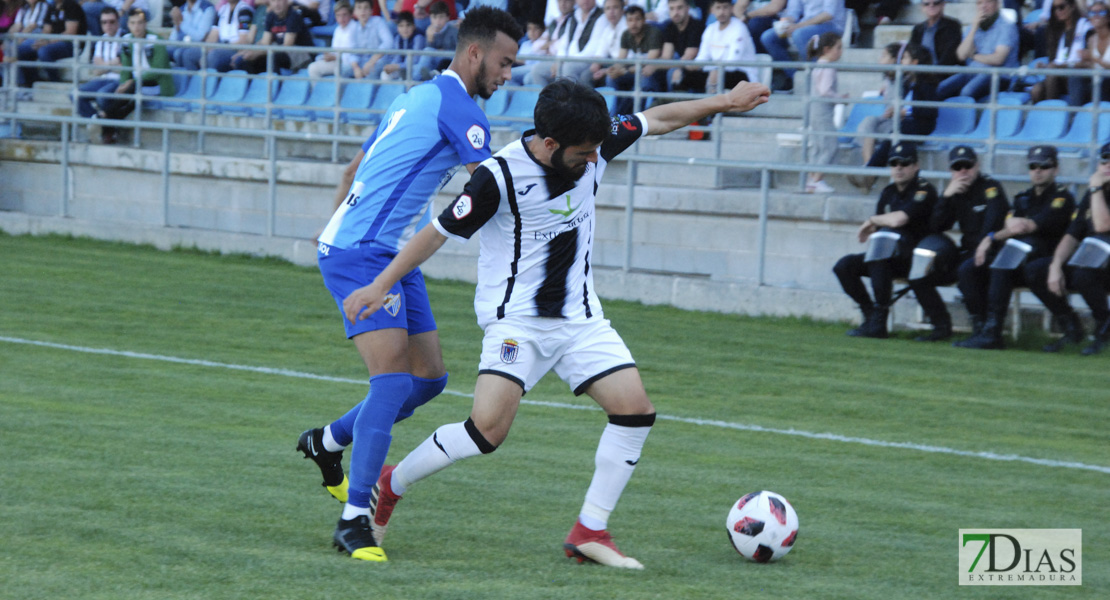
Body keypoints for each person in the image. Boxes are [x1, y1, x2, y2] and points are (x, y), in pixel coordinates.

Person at [339, 76, 770, 569]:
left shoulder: (595, 140)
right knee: (486, 433)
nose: (594, 160)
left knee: (634, 412)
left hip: (581, 319)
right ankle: (391, 484)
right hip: (517, 324)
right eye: (583, 153)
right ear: (549, 144)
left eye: (596, 151)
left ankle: (590, 530)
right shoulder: (497, 177)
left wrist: (726, 103)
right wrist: (380, 284)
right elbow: (436, 233)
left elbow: (660, 119)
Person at [295, 6, 522, 562]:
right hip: (362, 253)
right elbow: (489, 191)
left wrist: (342, 219)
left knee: (429, 379)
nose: (507, 73)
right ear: (474, 53)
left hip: (386, 250)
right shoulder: (461, 110)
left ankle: (325, 442)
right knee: (392, 381)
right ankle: (354, 521)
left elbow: (356, 168)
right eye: (504, 62)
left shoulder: (414, 96)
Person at [953, 144, 1076, 349]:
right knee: (968, 269)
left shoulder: (1062, 198)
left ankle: (993, 333)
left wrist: (1001, 233)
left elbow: (1027, 225)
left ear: (1056, 169)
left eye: (1044, 166)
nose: (1037, 171)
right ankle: (982, 328)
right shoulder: (1023, 198)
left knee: (1003, 265)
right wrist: (990, 238)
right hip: (1021, 258)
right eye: (1033, 166)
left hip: (1048, 259)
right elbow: (1010, 226)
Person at [833, 142, 940, 339]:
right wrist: (875, 224)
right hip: (888, 255)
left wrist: (873, 221)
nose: (899, 168)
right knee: (844, 266)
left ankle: (879, 321)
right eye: (894, 163)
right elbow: (881, 226)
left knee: (879, 260)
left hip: (913, 259)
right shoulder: (888, 192)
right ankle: (871, 314)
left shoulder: (924, 190)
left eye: (905, 163)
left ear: (915, 166)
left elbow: (899, 219)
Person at [1027, 143, 1110, 354]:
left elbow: (1102, 226)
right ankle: (1071, 326)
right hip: (1093, 262)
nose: (1107, 165)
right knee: (1036, 270)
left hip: (1103, 266)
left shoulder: (1095, 192)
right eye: (1104, 160)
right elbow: (1073, 234)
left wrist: (1096, 189)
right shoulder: (1092, 194)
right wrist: (1055, 265)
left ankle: (1104, 329)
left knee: (1084, 274)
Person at [922, 145, 1009, 342]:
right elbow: (936, 226)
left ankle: (982, 328)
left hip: (994, 250)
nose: (963, 171)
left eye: (967, 166)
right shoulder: (955, 193)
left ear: (977, 165)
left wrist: (983, 245)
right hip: (969, 251)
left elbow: (994, 221)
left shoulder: (990, 187)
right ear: (951, 171)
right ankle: (941, 325)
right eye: (957, 167)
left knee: (966, 271)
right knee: (923, 272)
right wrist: (945, 196)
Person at [849, 43, 937, 192]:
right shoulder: (909, 83)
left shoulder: (926, 84)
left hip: (920, 125)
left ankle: (869, 174)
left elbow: (931, 112)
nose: (901, 61)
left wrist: (906, 112)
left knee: (891, 139)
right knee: (891, 138)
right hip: (907, 124)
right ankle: (869, 175)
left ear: (915, 63)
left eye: (905, 58)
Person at [95, 8, 175, 144]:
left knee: (130, 90)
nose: (136, 27)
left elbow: (158, 70)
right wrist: (123, 83)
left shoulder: (156, 40)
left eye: (139, 23)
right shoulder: (126, 41)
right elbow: (126, 69)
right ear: (128, 25)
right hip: (136, 85)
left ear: (145, 24)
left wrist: (130, 82)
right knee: (126, 102)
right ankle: (108, 132)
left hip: (156, 84)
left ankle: (104, 117)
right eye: (133, 23)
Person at [936, 0, 1019, 100]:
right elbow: (961, 55)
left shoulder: (1007, 27)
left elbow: (998, 59)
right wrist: (974, 28)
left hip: (998, 75)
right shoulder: (973, 26)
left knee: (966, 93)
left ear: (997, 4)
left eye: (987, 2)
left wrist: (974, 55)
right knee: (939, 89)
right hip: (972, 71)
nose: (983, 6)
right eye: (979, 3)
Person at [760, 0, 845, 92]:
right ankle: (794, 77)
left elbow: (828, 14)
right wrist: (786, 22)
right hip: (805, 25)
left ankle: (816, 78)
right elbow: (794, 12)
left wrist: (799, 26)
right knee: (768, 37)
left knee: (799, 34)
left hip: (831, 25)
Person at [687, 0, 757, 93]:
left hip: (742, 75)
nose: (721, 12)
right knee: (685, 75)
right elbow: (703, 56)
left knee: (716, 75)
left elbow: (732, 63)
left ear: (731, 8)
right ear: (712, 10)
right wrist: (693, 66)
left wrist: (713, 71)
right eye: (718, 8)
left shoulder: (739, 28)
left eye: (725, 7)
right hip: (718, 71)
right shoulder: (710, 29)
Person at [806, 31, 845, 194]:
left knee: (818, 146)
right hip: (822, 111)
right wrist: (840, 98)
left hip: (814, 110)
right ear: (827, 49)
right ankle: (817, 180)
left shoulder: (819, 64)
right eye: (839, 48)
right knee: (830, 146)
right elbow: (825, 90)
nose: (841, 51)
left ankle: (811, 179)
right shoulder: (828, 66)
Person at [605, 3, 663, 113]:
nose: (633, 24)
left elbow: (650, 62)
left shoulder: (653, 33)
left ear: (644, 20)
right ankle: (612, 113)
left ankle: (633, 116)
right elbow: (620, 60)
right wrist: (614, 70)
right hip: (636, 71)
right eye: (630, 20)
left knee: (643, 78)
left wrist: (625, 70)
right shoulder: (626, 34)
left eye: (637, 19)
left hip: (654, 73)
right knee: (611, 77)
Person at [1030, 0, 1091, 104]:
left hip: (1078, 75)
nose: (1058, 11)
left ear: (1072, 7)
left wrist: (1058, 66)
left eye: (1061, 7)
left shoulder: (1085, 27)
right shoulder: (1056, 31)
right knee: (1036, 90)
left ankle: (1052, 111)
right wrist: (1045, 66)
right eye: (1054, 9)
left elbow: (1088, 61)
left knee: (1052, 69)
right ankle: (1043, 115)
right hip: (1060, 76)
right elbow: (1057, 60)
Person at [16, 0, 87, 87]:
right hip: (52, 42)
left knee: (44, 51)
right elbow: (46, 29)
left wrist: (48, 42)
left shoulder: (71, 5)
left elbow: (70, 32)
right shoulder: (51, 7)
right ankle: (31, 82)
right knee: (21, 50)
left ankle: (55, 82)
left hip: (71, 44)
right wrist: (41, 41)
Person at [230, 0, 314, 73]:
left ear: (286, 1)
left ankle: (275, 87)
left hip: (301, 53)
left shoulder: (293, 16)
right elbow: (265, 42)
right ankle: (256, 86)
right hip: (279, 50)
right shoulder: (271, 16)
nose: (277, 4)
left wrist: (257, 53)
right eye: (273, 1)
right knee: (245, 60)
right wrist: (245, 53)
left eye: (279, 0)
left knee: (272, 57)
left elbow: (287, 46)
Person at [855, 42, 901, 168]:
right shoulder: (887, 79)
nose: (880, 59)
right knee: (868, 123)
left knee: (869, 130)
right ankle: (869, 165)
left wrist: (895, 110)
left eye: (884, 56)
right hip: (886, 120)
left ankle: (869, 168)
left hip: (899, 122)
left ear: (894, 59)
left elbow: (908, 105)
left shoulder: (903, 79)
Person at [73, 6, 122, 120]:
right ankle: (96, 121)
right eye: (104, 22)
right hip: (103, 79)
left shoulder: (126, 38)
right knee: (75, 94)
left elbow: (124, 69)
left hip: (119, 80)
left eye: (111, 21)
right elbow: (96, 71)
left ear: (118, 22)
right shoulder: (101, 41)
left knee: (102, 95)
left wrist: (104, 65)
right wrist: (113, 63)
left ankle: (106, 127)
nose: (108, 25)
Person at [198, 0, 254, 73]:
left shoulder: (245, 11)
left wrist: (219, 48)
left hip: (235, 49)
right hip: (220, 46)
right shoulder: (222, 10)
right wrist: (205, 51)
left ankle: (211, 83)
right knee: (189, 54)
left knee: (214, 55)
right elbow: (212, 36)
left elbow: (243, 40)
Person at [660, 0, 704, 92]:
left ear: (687, 8)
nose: (675, 13)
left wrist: (677, 68)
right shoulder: (669, 27)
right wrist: (652, 66)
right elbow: (666, 57)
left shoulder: (696, 26)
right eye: (672, 9)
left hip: (699, 68)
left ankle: (673, 103)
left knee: (672, 72)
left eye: (679, 8)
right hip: (683, 65)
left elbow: (689, 56)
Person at [307, 0, 355, 78]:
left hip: (350, 64)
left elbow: (354, 55)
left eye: (344, 15)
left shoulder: (355, 29)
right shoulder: (338, 30)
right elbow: (335, 50)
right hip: (337, 61)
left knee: (339, 70)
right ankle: (319, 90)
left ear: (350, 15)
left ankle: (340, 90)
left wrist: (336, 57)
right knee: (313, 68)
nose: (341, 18)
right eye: (338, 15)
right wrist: (329, 55)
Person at [908, 0, 963, 68]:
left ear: (943, 4)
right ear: (922, 7)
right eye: (926, 4)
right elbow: (912, 52)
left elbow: (949, 56)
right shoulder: (918, 29)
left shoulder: (952, 26)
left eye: (936, 3)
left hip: (945, 71)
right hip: (922, 72)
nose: (931, 6)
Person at [584, 0, 626, 86]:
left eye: (615, 7)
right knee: (586, 75)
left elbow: (628, 59)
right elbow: (601, 53)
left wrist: (605, 71)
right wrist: (596, 65)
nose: (611, 12)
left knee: (611, 77)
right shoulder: (608, 29)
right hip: (611, 63)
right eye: (608, 8)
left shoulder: (628, 27)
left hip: (626, 65)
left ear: (622, 10)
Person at [1075, 1, 1110, 104]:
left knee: (1104, 83)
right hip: (1097, 81)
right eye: (1092, 13)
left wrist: (1095, 59)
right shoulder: (1091, 39)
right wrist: (1083, 64)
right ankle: (1074, 116)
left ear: (1108, 17)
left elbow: (1098, 62)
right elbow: (1094, 66)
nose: (1096, 16)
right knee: (1075, 77)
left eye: (1101, 12)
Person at [375, 10, 426, 80]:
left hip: (413, 67)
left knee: (415, 69)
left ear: (414, 26)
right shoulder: (398, 38)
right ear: (397, 28)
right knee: (385, 74)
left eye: (408, 25)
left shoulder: (418, 37)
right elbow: (397, 57)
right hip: (401, 67)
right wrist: (392, 66)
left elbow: (415, 60)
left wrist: (397, 66)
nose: (405, 29)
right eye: (401, 26)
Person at [416, 1, 459, 80]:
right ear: (430, 18)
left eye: (441, 17)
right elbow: (428, 55)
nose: (438, 21)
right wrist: (429, 39)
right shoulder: (429, 30)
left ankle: (415, 79)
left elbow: (459, 52)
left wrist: (443, 51)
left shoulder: (453, 31)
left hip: (449, 60)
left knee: (428, 51)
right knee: (419, 63)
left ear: (447, 17)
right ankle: (425, 76)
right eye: (434, 17)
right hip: (435, 59)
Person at [168, 0, 216, 70]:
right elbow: (173, 39)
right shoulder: (182, 9)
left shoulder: (207, 8)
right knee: (164, 50)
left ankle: (189, 80)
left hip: (201, 46)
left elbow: (200, 37)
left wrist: (181, 23)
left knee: (181, 53)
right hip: (183, 45)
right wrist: (177, 25)